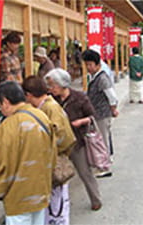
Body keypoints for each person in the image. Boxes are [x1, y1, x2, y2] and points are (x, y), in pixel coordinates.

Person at [0, 81, 56, 225]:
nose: (1, 109)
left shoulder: (9, 126)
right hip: (41, 188)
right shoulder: (41, 116)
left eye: (0, 105)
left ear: (6, 102)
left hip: (19, 193)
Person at [44, 68, 103, 211]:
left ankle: (96, 199)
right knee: (58, 174)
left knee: (84, 172)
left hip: (77, 141)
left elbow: (91, 116)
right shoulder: (52, 100)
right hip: (59, 143)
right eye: (49, 86)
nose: (51, 89)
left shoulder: (79, 98)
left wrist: (80, 122)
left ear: (62, 84)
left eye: (53, 85)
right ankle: (57, 207)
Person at [22, 75, 76, 224]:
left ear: (29, 95)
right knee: (52, 206)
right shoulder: (46, 106)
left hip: (53, 162)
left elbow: (62, 137)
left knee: (56, 208)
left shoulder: (50, 108)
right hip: (48, 162)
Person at [82, 49, 118, 174]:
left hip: (102, 113)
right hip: (97, 113)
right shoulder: (94, 77)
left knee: (102, 140)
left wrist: (113, 109)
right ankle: (103, 162)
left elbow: (111, 96)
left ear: (98, 65)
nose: (88, 67)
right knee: (101, 139)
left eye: (90, 65)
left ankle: (105, 167)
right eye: (86, 64)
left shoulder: (102, 78)